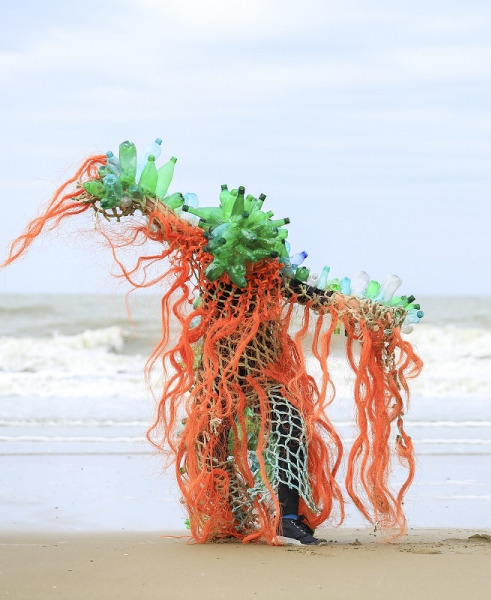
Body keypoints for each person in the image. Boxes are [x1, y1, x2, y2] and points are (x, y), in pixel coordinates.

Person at [2, 141, 423, 545]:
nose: (249, 267)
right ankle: (228, 514)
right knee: (213, 442)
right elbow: (163, 214)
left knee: (291, 425)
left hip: (265, 372)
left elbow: (328, 299)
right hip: (218, 375)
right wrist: (124, 188)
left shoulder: (275, 273)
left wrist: (381, 313)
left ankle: (288, 519)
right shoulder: (207, 250)